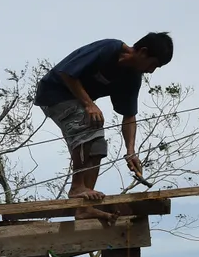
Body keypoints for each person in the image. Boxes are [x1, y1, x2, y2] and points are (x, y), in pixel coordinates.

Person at [33, 33, 174, 220]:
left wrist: (130, 151)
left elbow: (129, 115)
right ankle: (77, 188)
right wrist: (89, 103)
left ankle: (85, 207)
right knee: (88, 124)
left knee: (98, 144)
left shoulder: (132, 78)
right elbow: (67, 73)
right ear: (143, 52)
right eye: (153, 64)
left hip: (77, 101)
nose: (151, 71)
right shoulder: (109, 49)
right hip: (54, 92)